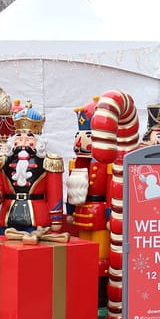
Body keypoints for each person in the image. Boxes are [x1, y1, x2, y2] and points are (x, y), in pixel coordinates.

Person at [0, 102, 64, 234]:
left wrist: (56, 219)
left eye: (29, 137)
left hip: (36, 217)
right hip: (8, 214)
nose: (24, 141)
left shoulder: (49, 161)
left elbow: (55, 193)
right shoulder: (2, 160)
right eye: (19, 137)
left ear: (38, 140)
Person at [66, 96, 111, 307]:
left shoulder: (108, 163)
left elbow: (111, 190)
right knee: (85, 254)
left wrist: (111, 214)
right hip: (82, 212)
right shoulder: (76, 163)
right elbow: (71, 189)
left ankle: (101, 296)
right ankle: (86, 291)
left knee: (101, 256)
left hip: (100, 213)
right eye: (80, 135)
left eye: (89, 135)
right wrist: (70, 209)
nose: (81, 140)